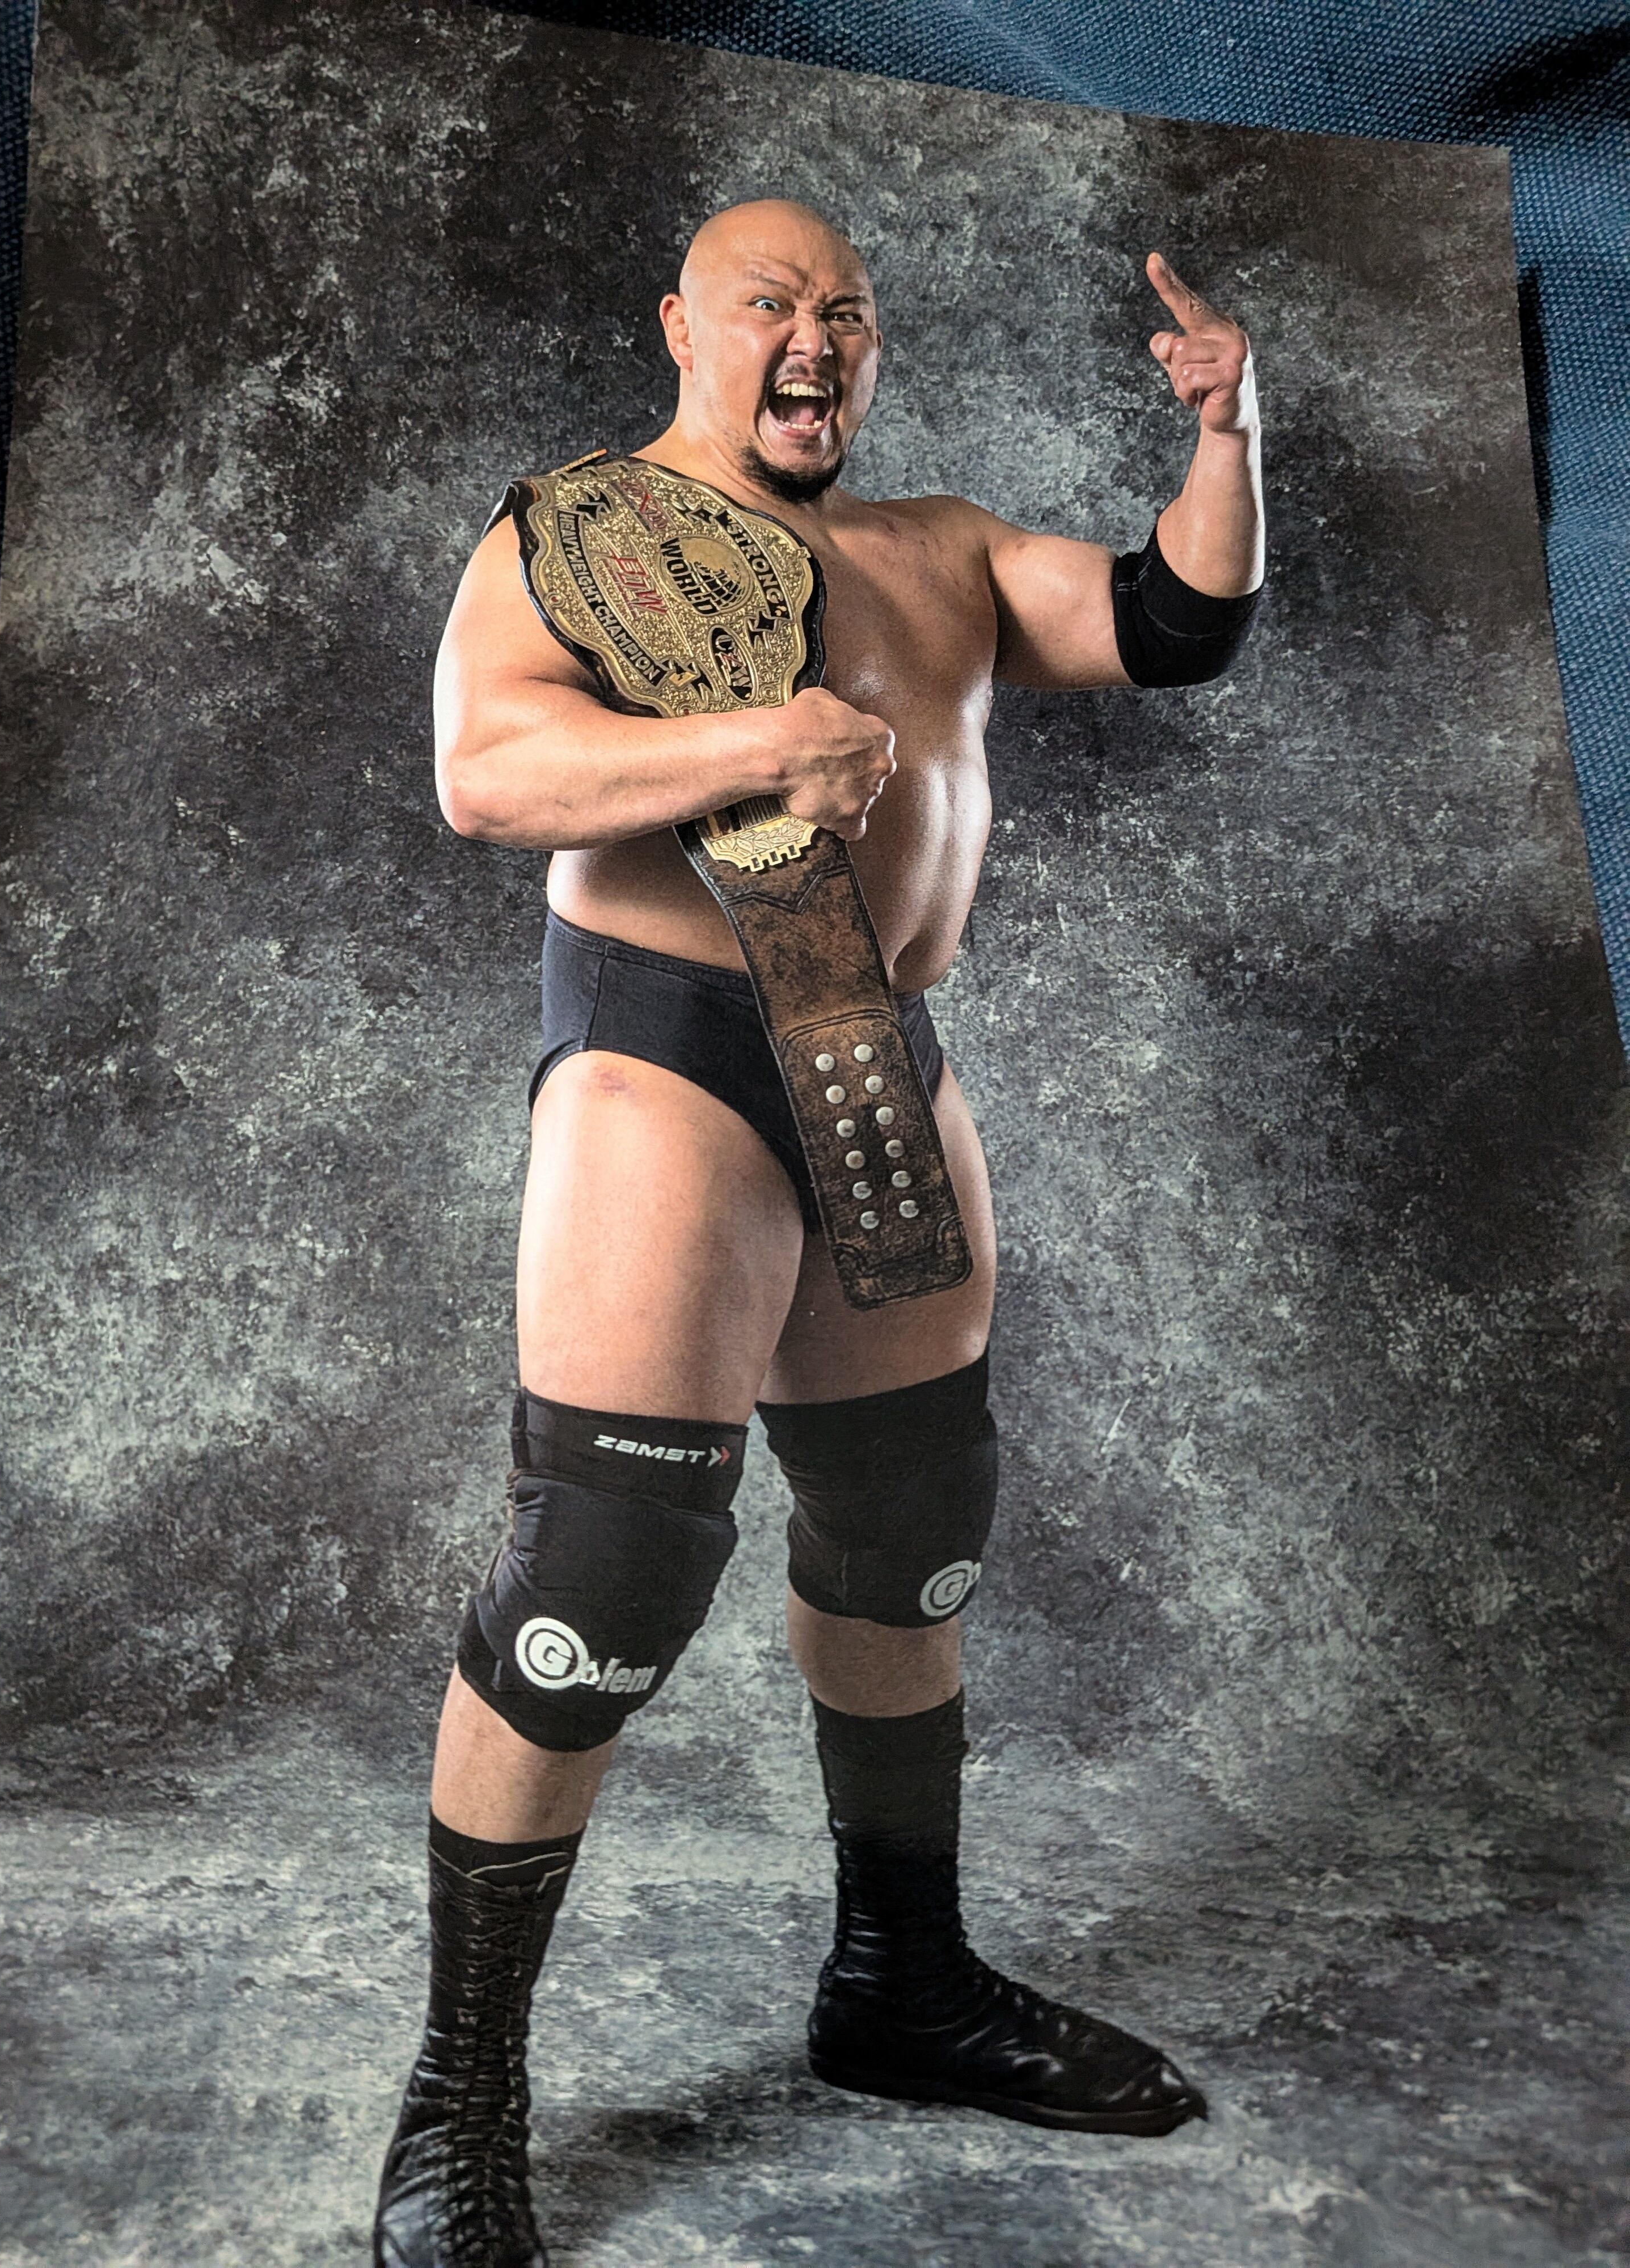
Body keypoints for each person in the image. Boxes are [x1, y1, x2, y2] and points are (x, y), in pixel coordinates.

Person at [375, 197, 1264, 2268]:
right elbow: (486, 771)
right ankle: (459, 2096)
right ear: (682, 325)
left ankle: (901, 1988)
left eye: (845, 313)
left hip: (881, 1060)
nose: (813, 339)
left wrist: (1230, 438)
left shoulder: (942, 551)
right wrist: (750, 742)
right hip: (674, 1063)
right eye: (769, 303)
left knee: (909, 1535)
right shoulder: (579, 534)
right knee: (603, 1573)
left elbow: (1176, 624)